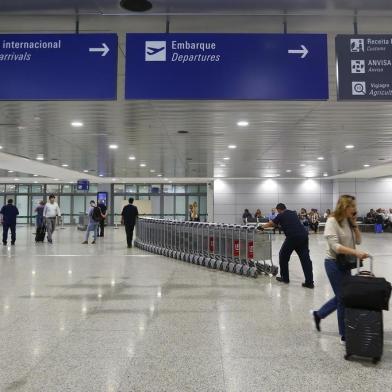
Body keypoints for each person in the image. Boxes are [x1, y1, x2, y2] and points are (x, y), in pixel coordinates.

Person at [312, 195, 369, 344]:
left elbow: (358, 241)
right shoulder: (332, 221)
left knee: (342, 296)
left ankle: (319, 314)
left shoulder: (349, 221)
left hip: (346, 263)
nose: (355, 210)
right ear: (344, 207)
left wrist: (354, 224)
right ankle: (344, 334)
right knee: (343, 297)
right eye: (352, 207)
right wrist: (355, 253)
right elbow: (335, 247)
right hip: (333, 264)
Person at [260, 203, 314, 288]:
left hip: (292, 237)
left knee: (283, 256)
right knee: (305, 259)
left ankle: (285, 278)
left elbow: (272, 223)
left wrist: (262, 227)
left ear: (279, 209)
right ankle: (309, 282)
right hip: (303, 236)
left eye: (277, 211)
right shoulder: (293, 213)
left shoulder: (281, 215)